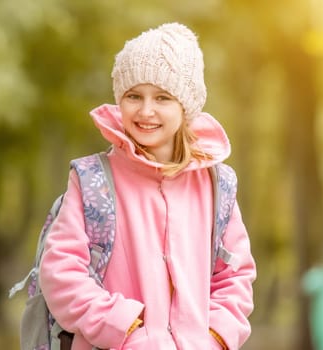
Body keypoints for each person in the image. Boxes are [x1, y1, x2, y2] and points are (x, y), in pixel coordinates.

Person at [39, 22, 256, 350]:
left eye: (163, 97)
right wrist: (124, 329)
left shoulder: (217, 185)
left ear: (186, 108)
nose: (146, 110)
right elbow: (61, 273)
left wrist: (214, 338)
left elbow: (234, 277)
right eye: (133, 96)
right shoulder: (92, 181)